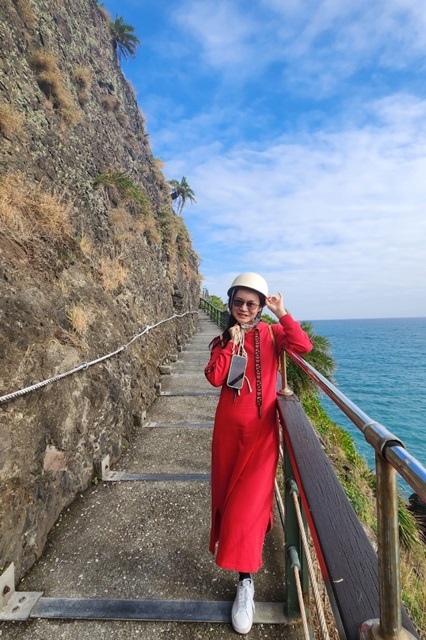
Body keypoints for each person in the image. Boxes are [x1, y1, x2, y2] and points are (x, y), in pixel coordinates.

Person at [204, 272, 313, 635]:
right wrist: (230, 345)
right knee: (229, 499)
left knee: (246, 507)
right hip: (228, 435)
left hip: (262, 436)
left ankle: (245, 583)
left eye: (253, 303)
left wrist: (282, 312)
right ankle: (245, 570)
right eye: (239, 302)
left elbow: (303, 345)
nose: (245, 309)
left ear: (262, 305)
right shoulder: (223, 339)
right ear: (231, 303)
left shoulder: (271, 334)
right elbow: (215, 378)